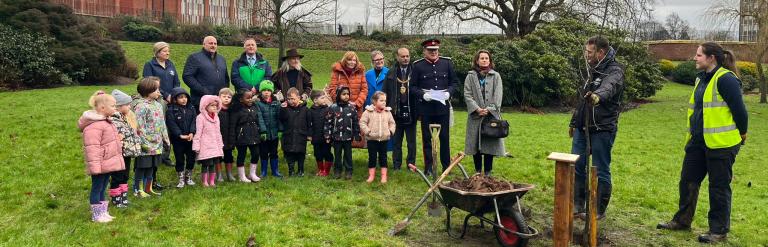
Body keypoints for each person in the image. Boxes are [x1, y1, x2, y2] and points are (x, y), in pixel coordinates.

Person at [657, 42, 748, 244]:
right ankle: (682, 220)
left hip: (721, 144)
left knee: (718, 188)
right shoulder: (701, 80)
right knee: (688, 180)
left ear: (711, 58)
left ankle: (718, 231)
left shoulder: (726, 79)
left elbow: (740, 112)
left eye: (698, 55)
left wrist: (742, 133)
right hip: (698, 141)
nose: (694, 58)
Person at [569, 36, 625, 220]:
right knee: (578, 165)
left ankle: (597, 210)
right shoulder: (590, 70)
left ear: (601, 53)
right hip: (582, 128)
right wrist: (574, 121)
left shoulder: (614, 71)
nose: (586, 55)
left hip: (602, 128)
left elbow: (609, 87)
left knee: (600, 169)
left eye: (590, 52)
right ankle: (578, 205)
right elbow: (582, 100)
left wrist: (597, 96)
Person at [410, 39, 459, 176]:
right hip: (426, 107)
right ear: (424, 51)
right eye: (430, 50)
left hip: (442, 108)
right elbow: (412, 87)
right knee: (427, 138)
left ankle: (445, 166)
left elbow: (454, 82)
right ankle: (429, 167)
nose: (433, 52)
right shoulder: (418, 66)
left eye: (435, 50)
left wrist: (449, 92)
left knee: (444, 137)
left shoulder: (446, 63)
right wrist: (422, 95)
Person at [79, 91, 124, 223]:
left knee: (103, 187)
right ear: (103, 108)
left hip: (106, 163)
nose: (115, 108)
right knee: (97, 187)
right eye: (113, 106)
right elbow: (92, 148)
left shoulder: (106, 122)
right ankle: (96, 215)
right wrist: (95, 167)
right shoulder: (93, 126)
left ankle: (103, 212)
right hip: (99, 164)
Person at [463, 50, 505, 176]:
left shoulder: (495, 76)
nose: (484, 60)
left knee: (489, 144)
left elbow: (498, 95)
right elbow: (467, 94)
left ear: (490, 61)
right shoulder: (470, 76)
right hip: (475, 116)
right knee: (475, 144)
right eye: (482, 58)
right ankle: (477, 171)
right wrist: (477, 109)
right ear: (477, 60)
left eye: (487, 58)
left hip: (490, 116)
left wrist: (490, 109)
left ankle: (487, 171)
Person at [143, 41, 178, 173]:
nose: (167, 53)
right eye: (164, 51)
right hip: (158, 99)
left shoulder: (171, 64)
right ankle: (156, 154)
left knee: (170, 126)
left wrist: (174, 95)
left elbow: (177, 82)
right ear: (157, 52)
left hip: (172, 98)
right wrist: (165, 95)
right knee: (160, 125)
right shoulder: (149, 65)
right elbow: (149, 83)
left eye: (168, 50)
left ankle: (166, 156)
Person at [132, 77, 169, 197]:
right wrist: (144, 143)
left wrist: (165, 138)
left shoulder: (158, 105)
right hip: (146, 145)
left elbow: (162, 123)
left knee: (152, 167)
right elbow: (139, 127)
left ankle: (148, 188)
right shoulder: (141, 106)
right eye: (156, 89)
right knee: (142, 167)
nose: (159, 92)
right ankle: (138, 190)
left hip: (157, 143)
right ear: (147, 90)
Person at [383, 47, 417, 171]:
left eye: (407, 56)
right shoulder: (391, 72)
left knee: (411, 142)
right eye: (402, 56)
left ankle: (411, 164)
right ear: (397, 57)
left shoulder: (415, 71)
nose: (405, 58)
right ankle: (396, 165)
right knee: (396, 142)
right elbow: (385, 92)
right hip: (395, 112)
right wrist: (386, 109)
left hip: (411, 112)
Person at [108, 89, 142, 208]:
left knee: (125, 175)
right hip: (118, 154)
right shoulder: (113, 120)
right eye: (127, 105)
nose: (129, 107)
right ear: (118, 106)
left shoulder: (124, 118)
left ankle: (123, 197)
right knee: (117, 175)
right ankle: (116, 199)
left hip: (126, 153)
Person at [183, 36, 230, 108]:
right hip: (201, 100)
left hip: (218, 101)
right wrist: (203, 90)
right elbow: (187, 76)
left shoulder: (221, 59)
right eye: (210, 43)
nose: (213, 45)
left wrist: (224, 93)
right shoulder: (194, 57)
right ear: (204, 44)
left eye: (215, 43)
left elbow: (226, 78)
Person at [325, 86, 361, 180]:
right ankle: (337, 170)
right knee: (337, 155)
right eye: (343, 94)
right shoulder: (333, 108)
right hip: (336, 137)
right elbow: (328, 122)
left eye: (347, 94)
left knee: (348, 155)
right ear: (338, 95)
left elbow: (356, 122)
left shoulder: (352, 108)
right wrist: (327, 135)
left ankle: (349, 171)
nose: (346, 96)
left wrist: (357, 134)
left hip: (348, 137)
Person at [359, 91, 396, 184]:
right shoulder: (368, 111)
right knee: (372, 157)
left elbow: (392, 123)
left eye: (385, 100)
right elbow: (362, 122)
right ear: (374, 101)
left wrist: (390, 131)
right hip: (372, 140)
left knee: (383, 157)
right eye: (381, 100)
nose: (384, 102)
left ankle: (384, 176)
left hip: (384, 139)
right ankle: (371, 175)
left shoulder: (388, 112)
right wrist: (368, 132)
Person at [165, 87, 197, 188]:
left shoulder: (191, 108)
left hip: (190, 139)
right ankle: (181, 179)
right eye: (181, 97)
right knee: (179, 159)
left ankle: (189, 177)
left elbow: (194, 121)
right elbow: (171, 124)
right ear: (175, 99)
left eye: (185, 97)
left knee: (191, 158)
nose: (184, 99)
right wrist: (180, 135)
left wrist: (192, 132)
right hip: (178, 140)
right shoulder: (171, 111)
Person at [192, 95, 224, 187]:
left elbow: (218, 132)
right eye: (212, 105)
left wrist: (220, 144)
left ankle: (212, 181)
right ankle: (204, 182)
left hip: (215, 145)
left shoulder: (216, 117)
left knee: (213, 164)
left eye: (215, 105)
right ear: (205, 106)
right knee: (206, 164)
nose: (214, 107)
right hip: (205, 146)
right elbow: (198, 133)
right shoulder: (200, 117)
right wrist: (196, 146)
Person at [230, 90, 262, 183]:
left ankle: (252, 174)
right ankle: (242, 176)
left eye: (251, 97)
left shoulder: (254, 107)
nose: (250, 99)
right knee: (241, 155)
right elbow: (233, 125)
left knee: (256, 153)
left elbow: (257, 120)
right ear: (241, 99)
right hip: (242, 136)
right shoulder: (236, 110)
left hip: (254, 134)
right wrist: (233, 138)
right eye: (247, 98)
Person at [280, 88, 310, 177]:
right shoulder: (286, 108)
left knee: (301, 153)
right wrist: (283, 109)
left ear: (299, 98)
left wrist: (309, 134)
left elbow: (309, 122)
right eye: (288, 99)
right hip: (289, 134)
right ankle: (291, 171)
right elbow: (282, 118)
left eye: (292, 99)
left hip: (301, 135)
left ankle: (301, 170)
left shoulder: (305, 109)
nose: (290, 101)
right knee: (289, 153)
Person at [257, 80, 284, 178]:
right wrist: (262, 131)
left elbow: (279, 117)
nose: (266, 92)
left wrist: (280, 129)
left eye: (269, 90)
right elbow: (259, 118)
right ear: (261, 91)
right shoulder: (258, 104)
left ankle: (275, 171)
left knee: (274, 152)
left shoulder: (276, 103)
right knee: (263, 152)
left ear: (272, 91)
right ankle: (263, 171)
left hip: (274, 133)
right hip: (264, 134)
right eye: (264, 90)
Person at [327, 51, 368, 115]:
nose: (352, 62)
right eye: (350, 60)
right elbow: (332, 89)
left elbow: (364, 90)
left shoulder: (360, 72)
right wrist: (342, 102)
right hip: (340, 108)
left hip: (356, 109)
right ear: (345, 60)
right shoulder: (337, 72)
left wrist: (356, 103)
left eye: (354, 60)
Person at [308, 90, 334, 176]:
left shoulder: (328, 109)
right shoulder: (310, 111)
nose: (324, 100)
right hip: (316, 137)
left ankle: (326, 171)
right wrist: (310, 135)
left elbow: (331, 123)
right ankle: (321, 169)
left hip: (326, 137)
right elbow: (309, 124)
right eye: (322, 98)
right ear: (315, 100)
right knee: (318, 154)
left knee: (327, 153)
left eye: (325, 98)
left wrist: (330, 135)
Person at [218, 88, 236, 181]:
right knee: (218, 157)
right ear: (219, 97)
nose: (226, 99)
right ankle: (219, 175)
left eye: (229, 97)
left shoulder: (232, 110)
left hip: (229, 137)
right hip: (218, 138)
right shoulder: (216, 110)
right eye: (224, 96)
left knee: (229, 156)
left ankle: (229, 174)